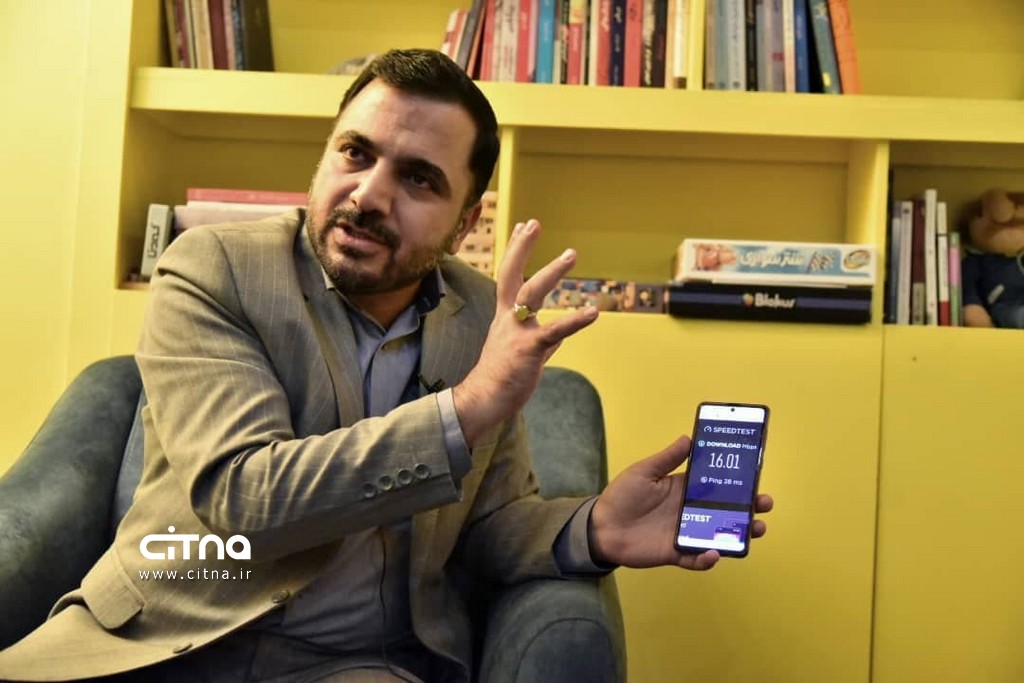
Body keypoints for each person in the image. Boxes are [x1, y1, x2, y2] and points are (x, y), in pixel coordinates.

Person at [0, 48, 772, 682]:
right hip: (156, 644)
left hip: (354, 664)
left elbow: (489, 528)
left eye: (419, 178)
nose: (370, 195)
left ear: (465, 222)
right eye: (356, 153)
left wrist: (594, 526)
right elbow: (242, 492)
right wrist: (466, 408)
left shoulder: (483, 318)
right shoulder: (215, 268)